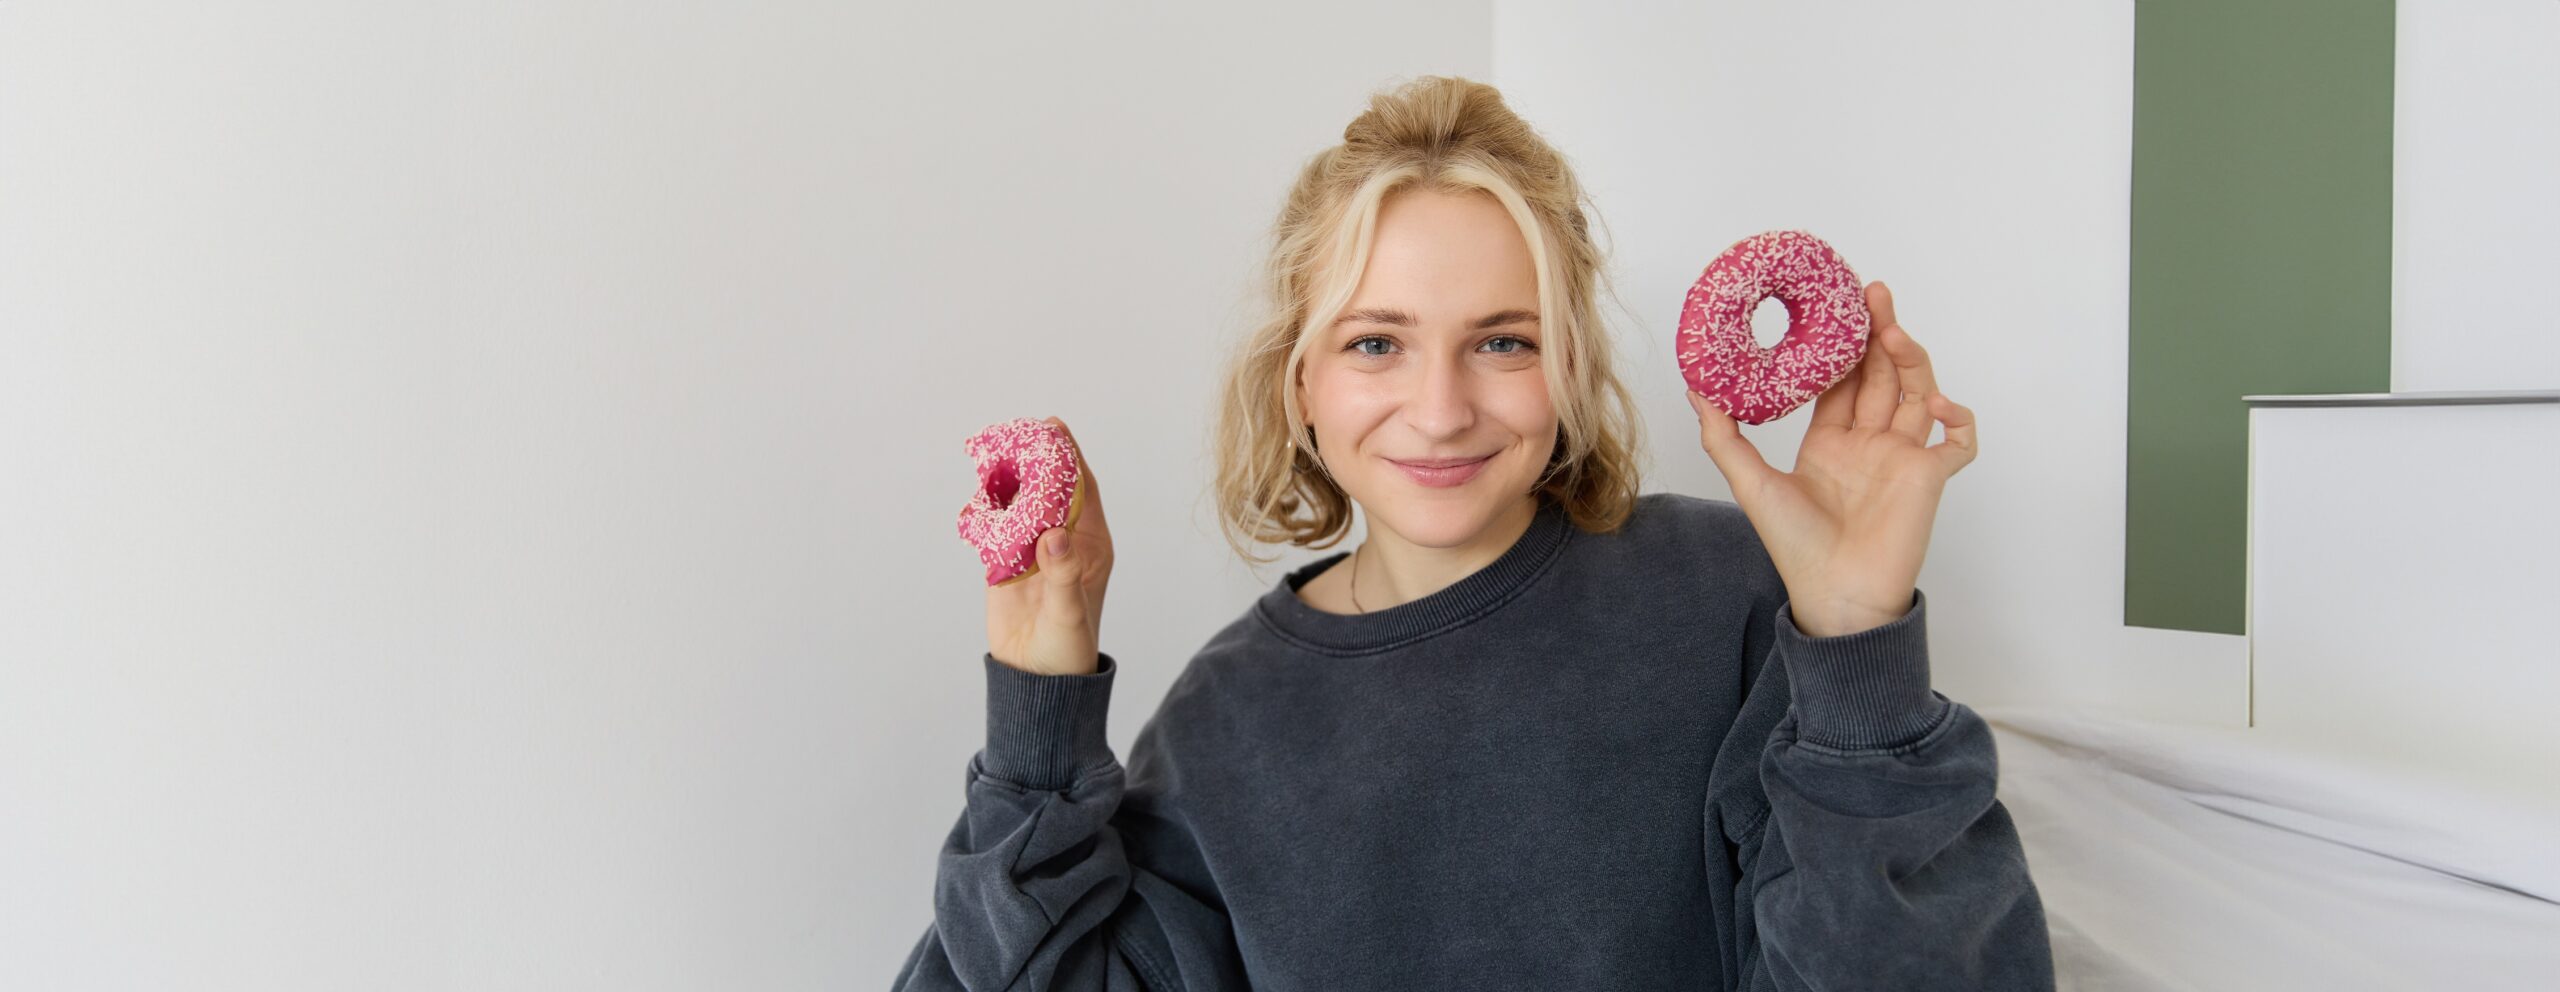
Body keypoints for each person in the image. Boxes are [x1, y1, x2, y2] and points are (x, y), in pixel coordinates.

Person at [894, 74, 2054, 991]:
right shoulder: (1222, 721)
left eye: (1502, 339)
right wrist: (1039, 705)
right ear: (1298, 382)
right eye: (1374, 343)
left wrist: (1853, 641)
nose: (1442, 408)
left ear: (1567, 366)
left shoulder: (1728, 598)